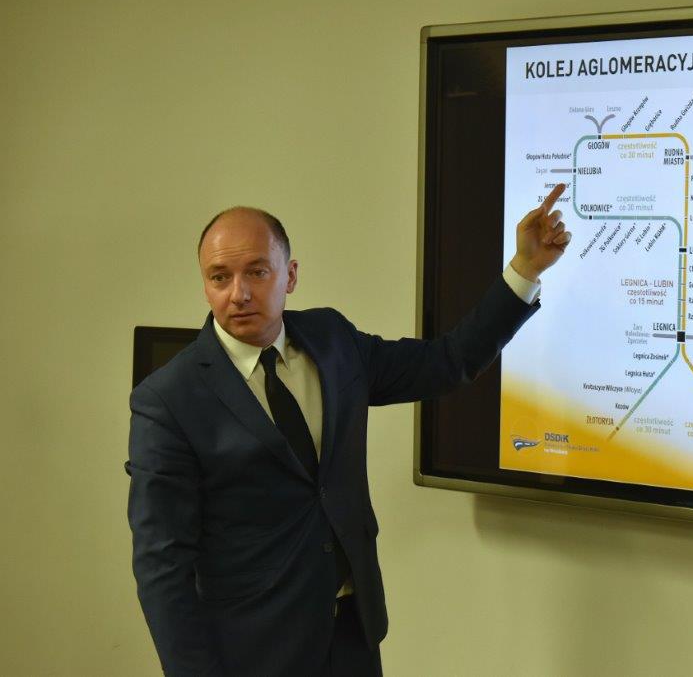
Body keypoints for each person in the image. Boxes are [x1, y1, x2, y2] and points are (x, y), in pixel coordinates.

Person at [126, 184, 570, 676]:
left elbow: (447, 362)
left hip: (352, 637)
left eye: (257, 271)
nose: (239, 293)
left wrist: (524, 269)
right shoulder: (168, 399)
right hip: (251, 653)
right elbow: (162, 567)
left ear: (290, 275)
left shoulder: (333, 341)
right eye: (219, 277)